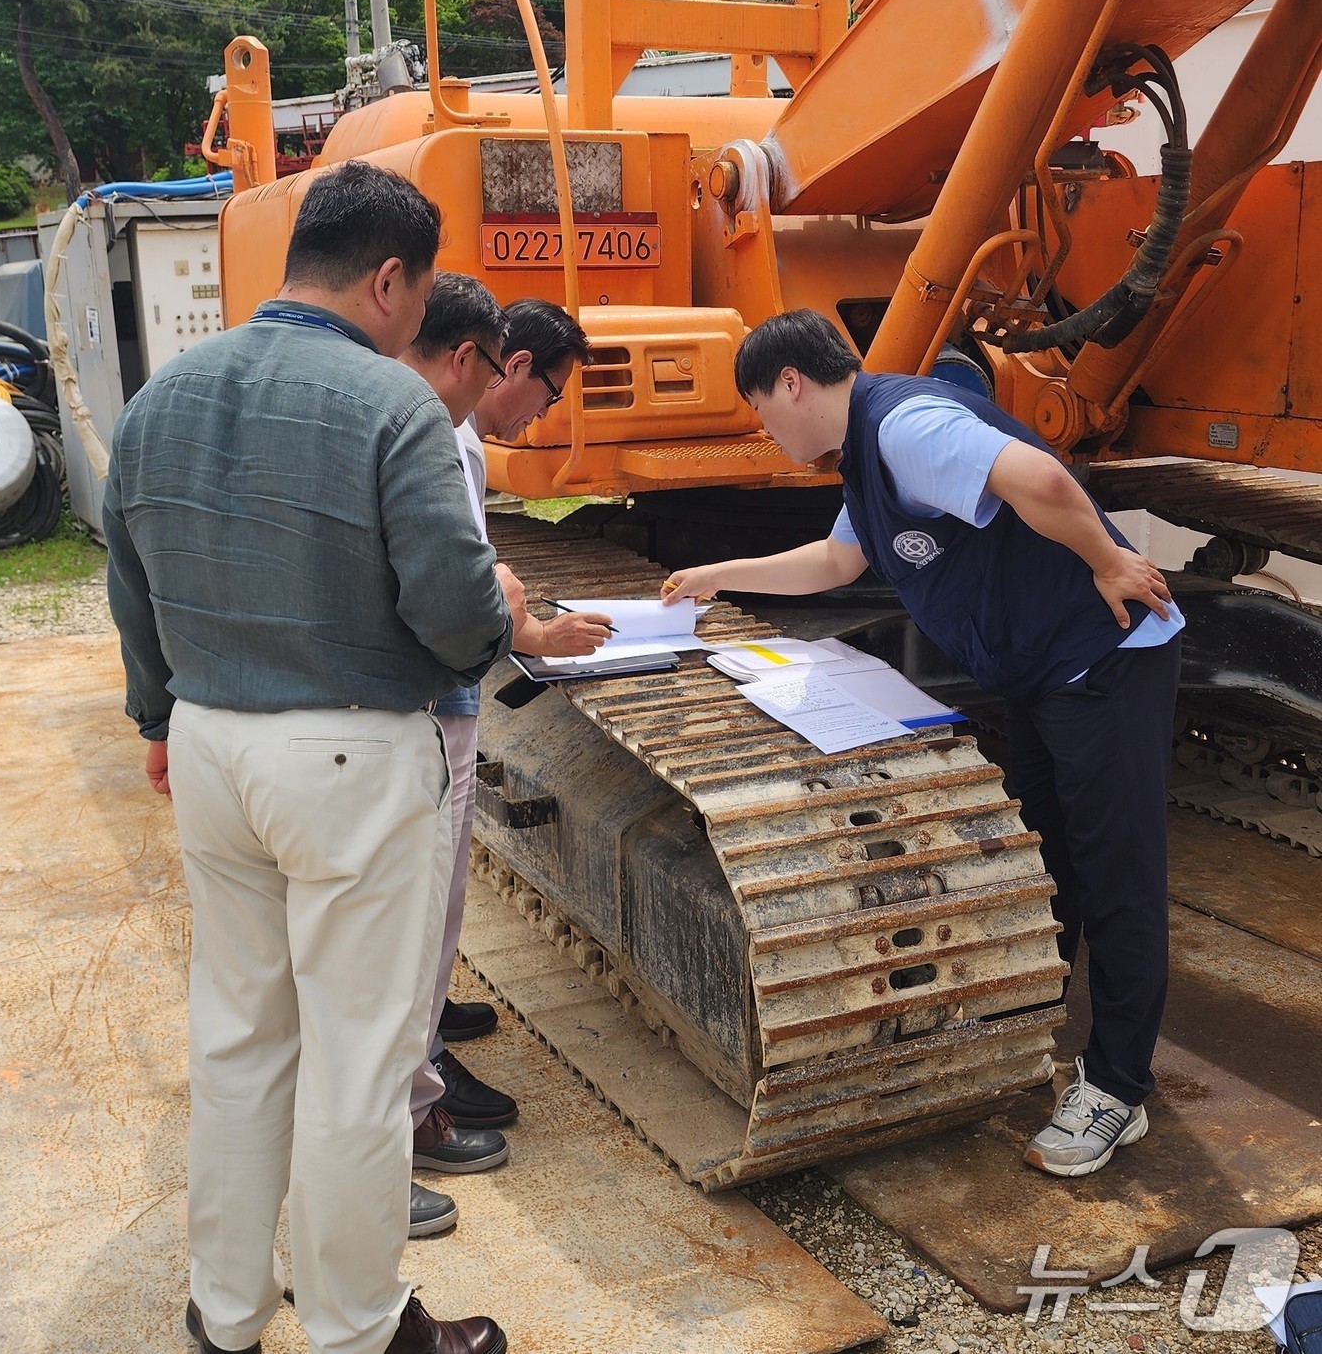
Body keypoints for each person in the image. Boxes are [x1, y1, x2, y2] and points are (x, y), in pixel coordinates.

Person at [105, 160, 510, 1354]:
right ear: (390, 278)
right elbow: (453, 611)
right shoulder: (394, 409)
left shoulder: (162, 398)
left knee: (237, 1042)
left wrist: (155, 721)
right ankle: (358, 1326)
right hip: (347, 758)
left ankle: (224, 1314)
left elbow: (129, 586)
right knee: (357, 1061)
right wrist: (492, 623)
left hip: (212, 744)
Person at [661, 308, 1184, 1181]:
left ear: (791, 382)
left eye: (761, 411)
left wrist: (1106, 558)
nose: (764, 431)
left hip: (1106, 656)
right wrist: (720, 576)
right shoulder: (865, 457)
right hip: (1046, 667)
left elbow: (1038, 475)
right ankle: (1035, 1032)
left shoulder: (904, 425)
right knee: (1049, 859)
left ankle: (1118, 1087)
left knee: (1117, 872)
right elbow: (836, 564)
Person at [403, 285, 607, 1173]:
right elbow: (459, 588)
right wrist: (528, 630)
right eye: (550, 393)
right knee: (429, 894)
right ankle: (419, 1081)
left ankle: (428, 1023)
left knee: (434, 897)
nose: (545, 413)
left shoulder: (447, 435)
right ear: (507, 365)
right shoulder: (448, 440)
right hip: (431, 698)